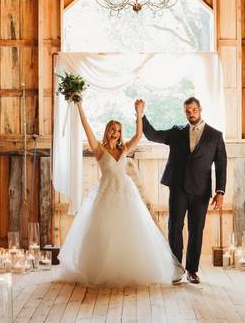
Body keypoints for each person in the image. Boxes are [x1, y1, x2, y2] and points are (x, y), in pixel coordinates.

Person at [57, 97, 184, 286]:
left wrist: (139, 113)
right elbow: (86, 128)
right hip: (106, 193)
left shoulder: (124, 148)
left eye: (118, 131)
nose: (115, 133)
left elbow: (139, 134)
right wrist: (79, 106)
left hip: (125, 193)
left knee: (132, 231)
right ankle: (102, 269)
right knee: (105, 232)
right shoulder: (99, 149)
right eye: (112, 130)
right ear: (107, 131)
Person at [142, 97, 227, 284]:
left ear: (200, 109)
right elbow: (153, 135)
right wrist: (141, 115)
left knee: (196, 230)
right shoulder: (176, 132)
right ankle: (175, 269)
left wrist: (220, 192)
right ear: (184, 112)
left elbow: (221, 165)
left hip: (201, 191)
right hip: (178, 188)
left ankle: (192, 271)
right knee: (175, 228)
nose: (191, 113)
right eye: (188, 111)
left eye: (194, 110)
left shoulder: (215, 135)